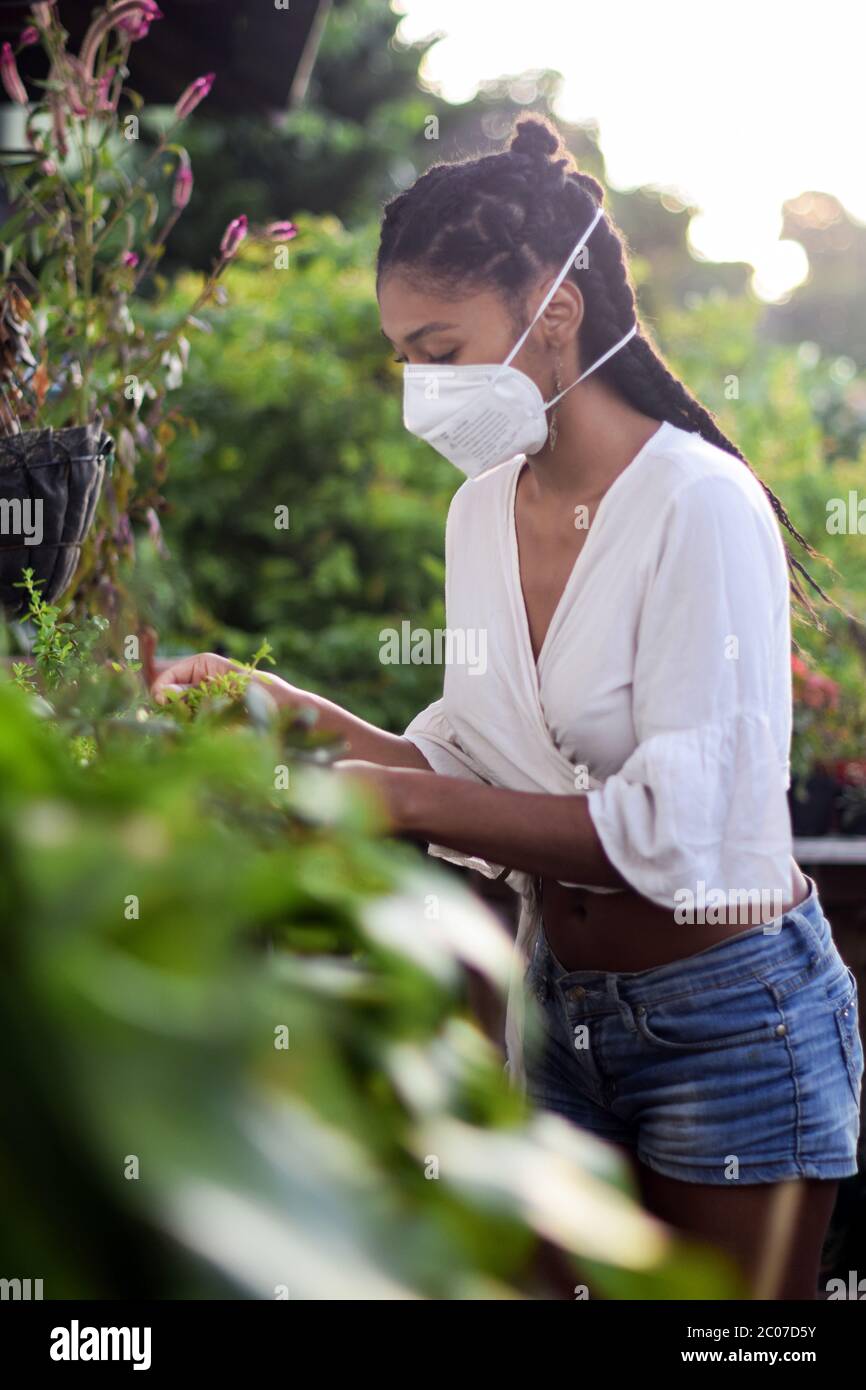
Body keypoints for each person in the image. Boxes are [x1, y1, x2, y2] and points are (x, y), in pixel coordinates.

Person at [152, 114, 863, 1299]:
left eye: (438, 347)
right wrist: (273, 704)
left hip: (729, 1020)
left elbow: (676, 834)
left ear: (555, 313)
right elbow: (475, 769)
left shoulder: (698, 507)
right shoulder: (479, 510)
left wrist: (386, 796)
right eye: (400, 356)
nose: (418, 388)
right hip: (555, 1008)